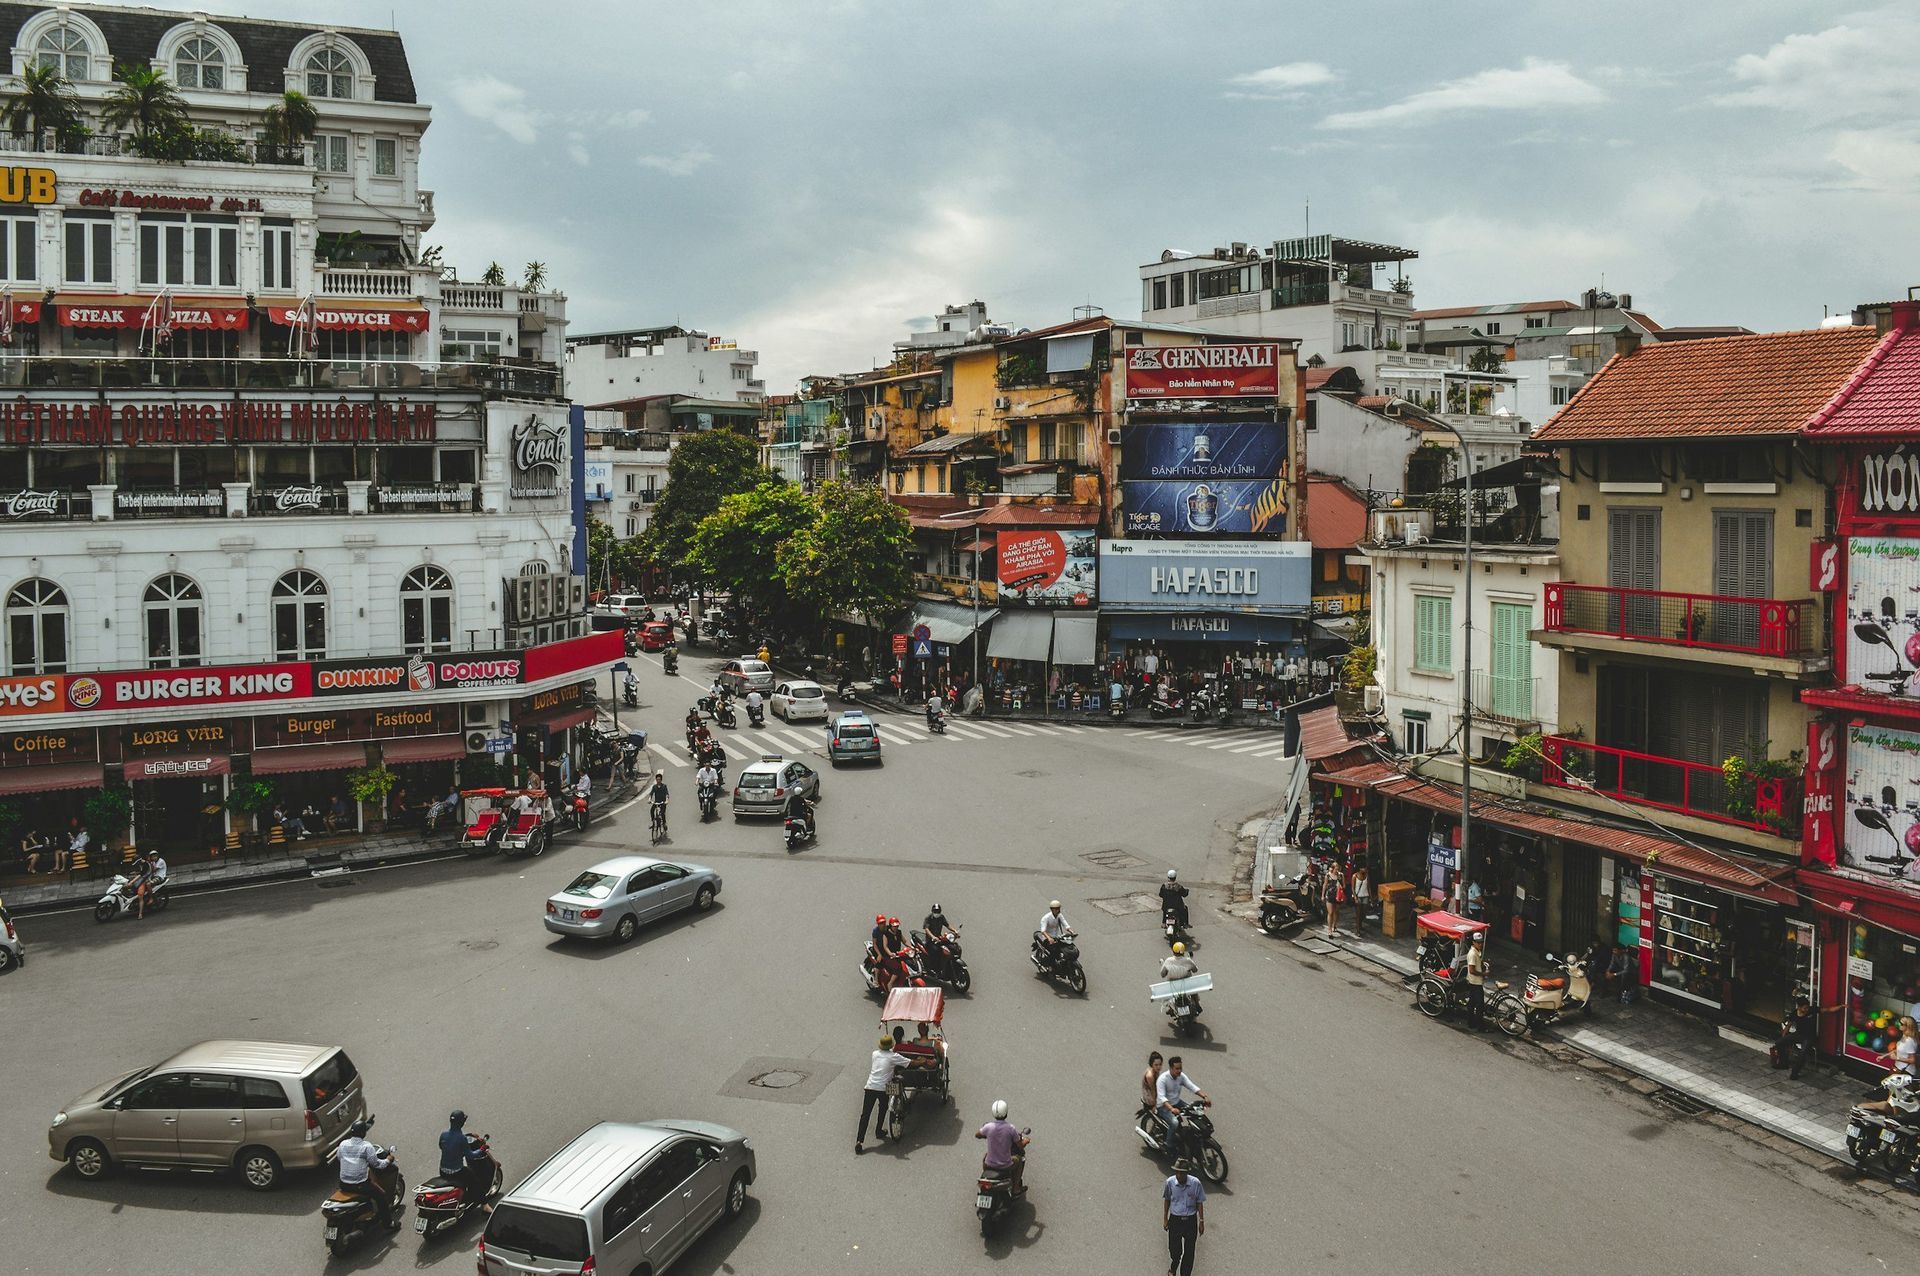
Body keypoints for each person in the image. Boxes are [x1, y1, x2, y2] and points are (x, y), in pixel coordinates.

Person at [856, 1035, 911, 1154]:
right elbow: (909, 1063)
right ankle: (879, 1130)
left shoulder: (875, 1054)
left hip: (870, 1086)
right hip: (883, 1089)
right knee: (883, 1109)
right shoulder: (893, 1056)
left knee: (865, 1114)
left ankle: (859, 1141)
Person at [336, 1119, 394, 1229]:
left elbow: (339, 1158)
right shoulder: (366, 1146)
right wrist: (388, 1160)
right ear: (363, 1133)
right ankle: (388, 1223)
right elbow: (377, 1165)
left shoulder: (343, 1144)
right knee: (381, 1196)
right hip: (360, 1185)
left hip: (343, 1184)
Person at [1163, 1157, 1206, 1276]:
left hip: (1190, 1221)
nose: (1179, 1175)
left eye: (1181, 1173)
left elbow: (1199, 1202)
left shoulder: (1195, 1183)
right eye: (1177, 1172)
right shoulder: (1170, 1182)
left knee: (1189, 1252)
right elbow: (1167, 1200)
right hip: (1175, 1220)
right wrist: (1165, 1218)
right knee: (1175, 1250)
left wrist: (1201, 1221)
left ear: (1187, 1173)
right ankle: (1174, 1264)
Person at [976, 1099, 1029, 1195]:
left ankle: (986, 1177)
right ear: (1006, 1112)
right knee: (1020, 1159)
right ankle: (1016, 1188)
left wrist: (986, 1135)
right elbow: (1020, 1145)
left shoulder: (988, 1127)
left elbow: (977, 1135)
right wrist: (1025, 1141)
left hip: (989, 1165)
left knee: (985, 1156)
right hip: (1006, 1165)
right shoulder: (1010, 1128)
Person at [439, 1109, 490, 1206]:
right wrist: (482, 1149)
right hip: (456, 1172)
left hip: (442, 1171)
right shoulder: (462, 1139)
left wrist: (469, 1135)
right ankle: (485, 1206)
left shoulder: (443, 1134)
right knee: (475, 1182)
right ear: (462, 1123)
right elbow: (471, 1155)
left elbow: (441, 1147)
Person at [1155, 1056, 1208, 1146]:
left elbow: (1191, 1086)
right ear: (1171, 1068)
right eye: (1177, 1068)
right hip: (1163, 1107)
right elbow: (1162, 1098)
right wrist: (1172, 1109)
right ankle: (1168, 1143)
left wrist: (1204, 1096)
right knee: (1175, 1123)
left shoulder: (1181, 1076)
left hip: (1176, 1102)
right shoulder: (1163, 1079)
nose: (1179, 1070)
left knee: (1195, 1112)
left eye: (1180, 1068)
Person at [1161, 942, 1201, 1014]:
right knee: (1193, 991)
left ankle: (1168, 1007)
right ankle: (1197, 1004)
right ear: (1183, 952)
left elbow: (1162, 974)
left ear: (1173, 951)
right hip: (1186, 984)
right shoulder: (1188, 960)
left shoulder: (1168, 961)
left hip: (1172, 986)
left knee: (1167, 993)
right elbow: (1195, 970)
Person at [1464, 930, 1488, 1028]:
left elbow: (1477, 965)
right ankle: (1479, 1025)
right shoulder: (1472, 954)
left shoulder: (1477, 952)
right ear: (1473, 942)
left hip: (1476, 981)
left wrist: (1482, 965)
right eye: (1478, 942)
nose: (1480, 944)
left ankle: (1471, 1022)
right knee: (1479, 1005)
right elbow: (1472, 970)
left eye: (1481, 942)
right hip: (1475, 982)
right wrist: (1483, 973)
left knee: (1472, 1003)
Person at [1349, 865, 1370, 932]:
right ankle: (1358, 929)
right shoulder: (1354, 876)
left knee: (1364, 912)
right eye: (1364, 868)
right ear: (1360, 868)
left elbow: (1369, 887)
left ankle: (1360, 924)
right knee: (1358, 913)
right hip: (1358, 896)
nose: (1365, 869)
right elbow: (1352, 887)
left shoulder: (1367, 876)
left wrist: (1371, 897)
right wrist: (1355, 897)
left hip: (1365, 895)